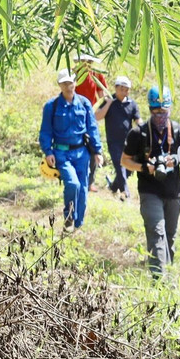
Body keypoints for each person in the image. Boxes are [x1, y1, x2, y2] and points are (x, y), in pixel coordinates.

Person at [121, 88, 180, 278]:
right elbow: (124, 161)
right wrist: (144, 168)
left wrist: (175, 160)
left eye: (164, 111)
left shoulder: (178, 132)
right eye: (156, 111)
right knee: (156, 231)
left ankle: (169, 272)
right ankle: (159, 278)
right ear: (150, 109)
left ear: (170, 108)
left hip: (173, 191)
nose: (160, 115)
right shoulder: (139, 133)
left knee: (170, 235)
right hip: (149, 190)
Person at [40, 70, 104, 231]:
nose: (69, 86)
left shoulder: (84, 103)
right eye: (65, 83)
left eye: (71, 83)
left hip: (82, 153)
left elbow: (92, 128)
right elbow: (45, 131)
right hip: (61, 153)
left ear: (75, 83)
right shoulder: (51, 106)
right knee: (72, 184)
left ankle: (78, 224)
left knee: (83, 188)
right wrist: (48, 152)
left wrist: (97, 151)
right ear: (59, 85)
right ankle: (69, 216)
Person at [96, 75, 142, 200]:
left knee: (129, 169)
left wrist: (144, 129)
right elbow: (97, 116)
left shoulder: (131, 104)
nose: (123, 92)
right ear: (116, 88)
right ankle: (125, 193)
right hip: (113, 141)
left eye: (126, 89)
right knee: (119, 165)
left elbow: (138, 119)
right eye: (121, 89)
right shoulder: (109, 100)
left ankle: (113, 186)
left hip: (128, 142)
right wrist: (108, 104)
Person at [74, 54, 108, 193]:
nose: (86, 63)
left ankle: (90, 182)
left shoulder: (97, 75)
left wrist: (98, 110)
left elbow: (103, 95)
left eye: (88, 61)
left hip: (91, 115)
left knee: (94, 147)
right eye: (84, 61)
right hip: (75, 114)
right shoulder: (73, 73)